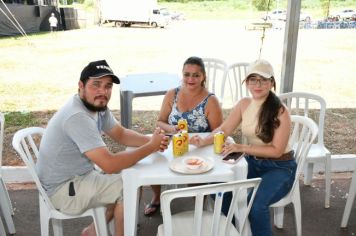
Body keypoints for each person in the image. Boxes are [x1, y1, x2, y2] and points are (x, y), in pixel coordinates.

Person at [36, 60, 169, 236]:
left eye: (108, 86)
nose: (103, 92)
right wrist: (151, 146)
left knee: (128, 174)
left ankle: (93, 231)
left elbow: (120, 134)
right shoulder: (77, 116)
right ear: (81, 86)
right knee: (129, 187)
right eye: (96, 85)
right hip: (62, 189)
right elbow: (110, 165)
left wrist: (151, 140)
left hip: (80, 176)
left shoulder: (96, 105)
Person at [190, 59, 296, 236]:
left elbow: (276, 150)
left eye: (263, 79)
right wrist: (204, 141)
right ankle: (232, 231)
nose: (258, 84)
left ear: (272, 83)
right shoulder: (244, 104)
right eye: (253, 79)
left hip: (280, 167)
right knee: (218, 188)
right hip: (253, 163)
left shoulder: (280, 110)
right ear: (246, 82)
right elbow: (224, 129)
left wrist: (240, 147)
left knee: (256, 206)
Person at [143, 56, 223, 216]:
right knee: (152, 163)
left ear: (203, 77)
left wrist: (202, 141)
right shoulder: (172, 94)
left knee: (195, 177)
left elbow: (219, 132)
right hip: (171, 144)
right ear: (182, 74)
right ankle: (157, 197)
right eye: (187, 74)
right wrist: (172, 128)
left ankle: (201, 207)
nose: (190, 79)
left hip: (198, 149)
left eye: (196, 75)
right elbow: (160, 122)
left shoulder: (210, 100)